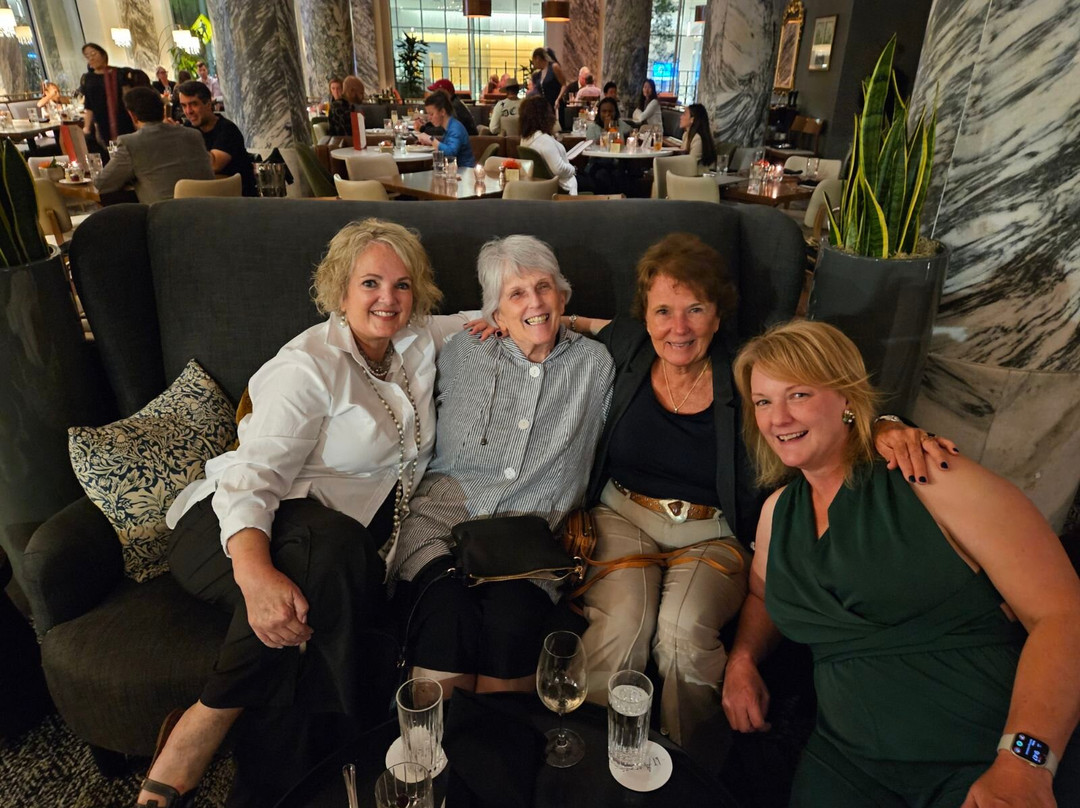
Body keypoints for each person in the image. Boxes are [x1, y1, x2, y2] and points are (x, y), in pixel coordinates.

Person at [564, 237, 952, 762]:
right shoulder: (629, 344)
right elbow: (580, 325)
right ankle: (588, 754)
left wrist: (886, 425)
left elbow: (827, 397)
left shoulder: (746, 368)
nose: (678, 328)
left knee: (683, 632)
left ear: (718, 314)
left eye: (695, 309)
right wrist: (514, 320)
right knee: (624, 621)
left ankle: (693, 767)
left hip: (714, 533)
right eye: (663, 311)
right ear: (645, 317)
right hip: (622, 516)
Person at [138, 220, 475, 808]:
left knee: (337, 572)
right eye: (370, 283)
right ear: (340, 290)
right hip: (228, 528)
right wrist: (255, 577)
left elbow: (505, 312)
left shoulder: (419, 340)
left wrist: (593, 326)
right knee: (336, 552)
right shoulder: (308, 366)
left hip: (336, 554)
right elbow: (251, 478)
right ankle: (208, 721)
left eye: (402, 285)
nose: (388, 298)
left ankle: (272, 783)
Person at [724, 319, 1080, 807]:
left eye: (799, 395)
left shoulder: (932, 476)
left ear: (847, 398)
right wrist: (743, 659)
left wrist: (1024, 762)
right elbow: (763, 595)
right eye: (763, 402)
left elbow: (1064, 615)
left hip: (980, 753)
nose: (778, 418)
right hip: (847, 760)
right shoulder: (777, 513)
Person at [388, 235, 614, 698]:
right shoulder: (461, 349)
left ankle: (491, 738)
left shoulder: (596, 365)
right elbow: (390, 322)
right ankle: (431, 739)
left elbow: (660, 335)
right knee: (448, 615)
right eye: (517, 294)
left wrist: (575, 322)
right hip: (440, 526)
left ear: (563, 294)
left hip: (529, 546)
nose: (535, 302)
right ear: (494, 312)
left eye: (544, 287)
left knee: (512, 624)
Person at [93, 86, 213, 204]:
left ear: (132, 115)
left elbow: (101, 184)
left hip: (168, 214)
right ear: (162, 111)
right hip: (210, 210)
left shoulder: (131, 143)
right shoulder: (194, 135)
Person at [177, 79, 256, 196]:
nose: (188, 111)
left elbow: (213, 166)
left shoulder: (227, 129)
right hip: (206, 195)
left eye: (194, 104)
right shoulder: (189, 127)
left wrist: (183, 138)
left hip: (236, 198)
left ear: (208, 104)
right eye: (184, 106)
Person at [79, 42, 135, 149]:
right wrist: (87, 128)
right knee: (109, 152)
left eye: (93, 54)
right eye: (87, 56)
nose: (91, 58)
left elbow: (129, 99)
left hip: (122, 118)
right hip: (101, 123)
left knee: (126, 150)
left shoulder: (119, 73)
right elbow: (89, 105)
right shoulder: (88, 78)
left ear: (103, 54)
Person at [518, 95, 577, 194]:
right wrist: (573, 169)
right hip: (563, 186)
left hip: (544, 186)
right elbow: (558, 169)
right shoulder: (544, 141)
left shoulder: (526, 138)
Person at [416, 91, 475, 168]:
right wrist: (430, 143)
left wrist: (431, 139)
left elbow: (451, 153)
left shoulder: (455, 128)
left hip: (464, 171)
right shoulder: (449, 126)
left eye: (431, 114)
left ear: (442, 112)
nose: (429, 118)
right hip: (454, 170)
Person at [679, 103, 717, 172]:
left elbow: (691, 163)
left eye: (684, 114)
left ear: (692, 119)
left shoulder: (697, 138)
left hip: (698, 175)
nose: (681, 117)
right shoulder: (685, 135)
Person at [531, 47, 567, 114]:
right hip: (544, 107)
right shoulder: (538, 74)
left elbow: (564, 85)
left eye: (533, 61)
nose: (533, 64)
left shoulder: (554, 67)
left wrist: (558, 99)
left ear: (538, 58)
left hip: (556, 105)